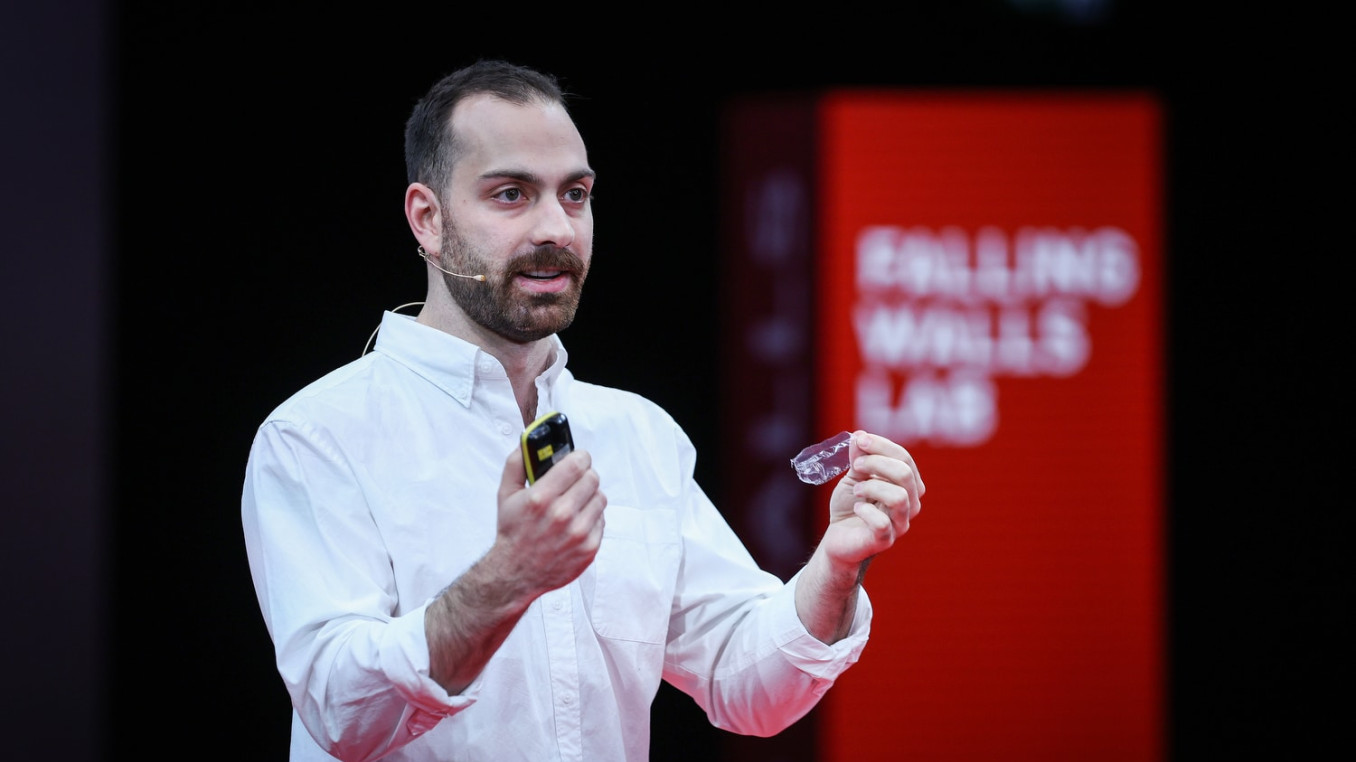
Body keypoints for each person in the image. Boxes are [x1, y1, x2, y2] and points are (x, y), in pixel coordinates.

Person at [240, 58, 926, 762]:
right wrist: (506, 578)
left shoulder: (638, 435)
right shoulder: (317, 437)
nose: (557, 229)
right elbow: (341, 713)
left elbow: (746, 685)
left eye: (575, 194)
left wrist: (835, 571)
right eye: (511, 194)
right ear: (428, 219)